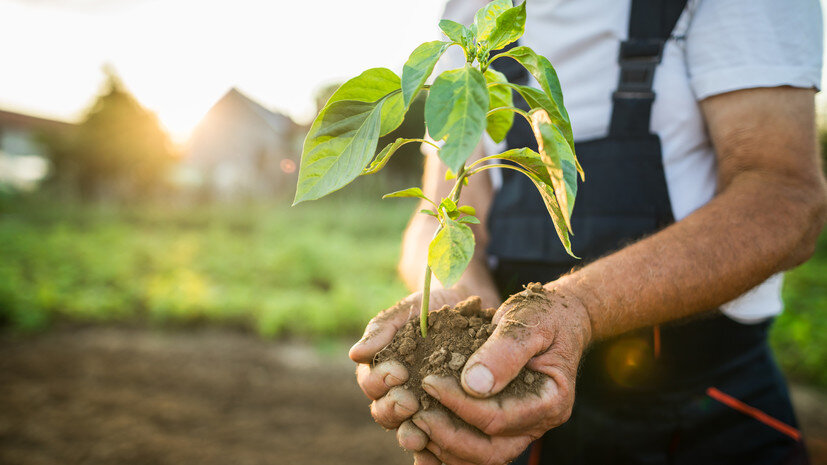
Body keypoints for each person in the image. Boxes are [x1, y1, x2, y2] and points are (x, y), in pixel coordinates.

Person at [349, 0, 827, 464]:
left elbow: (784, 194)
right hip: (514, 389)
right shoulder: (469, 10)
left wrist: (578, 306)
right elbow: (438, 216)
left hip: (700, 406)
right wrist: (460, 305)